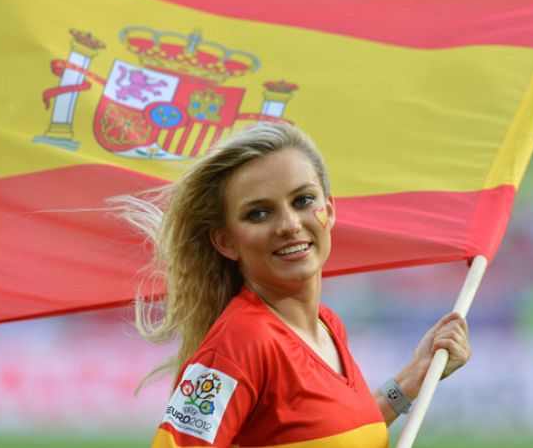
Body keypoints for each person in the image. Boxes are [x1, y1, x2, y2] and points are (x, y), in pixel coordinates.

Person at [113, 122, 471, 447]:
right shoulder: (238, 344)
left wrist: (414, 377)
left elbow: (329, 436)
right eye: (259, 213)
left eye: (303, 201)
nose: (289, 224)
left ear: (329, 211)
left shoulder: (327, 325)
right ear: (226, 241)